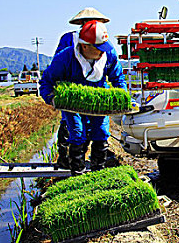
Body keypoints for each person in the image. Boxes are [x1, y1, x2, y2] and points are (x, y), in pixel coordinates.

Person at [40, 20, 127, 175]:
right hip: (73, 103)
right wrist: (51, 98)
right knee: (77, 133)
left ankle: (98, 172)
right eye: (99, 48)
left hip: (98, 99)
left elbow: (118, 78)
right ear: (85, 46)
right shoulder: (65, 58)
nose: (102, 52)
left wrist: (124, 98)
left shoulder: (109, 54)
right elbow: (47, 80)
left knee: (101, 132)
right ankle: (77, 173)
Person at [53, 7, 112, 169]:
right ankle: (69, 162)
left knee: (98, 130)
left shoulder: (103, 43)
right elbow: (59, 63)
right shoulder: (69, 40)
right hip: (76, 93)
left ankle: (94, 165)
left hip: (96, 93)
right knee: (72, 126)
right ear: (82, 24)